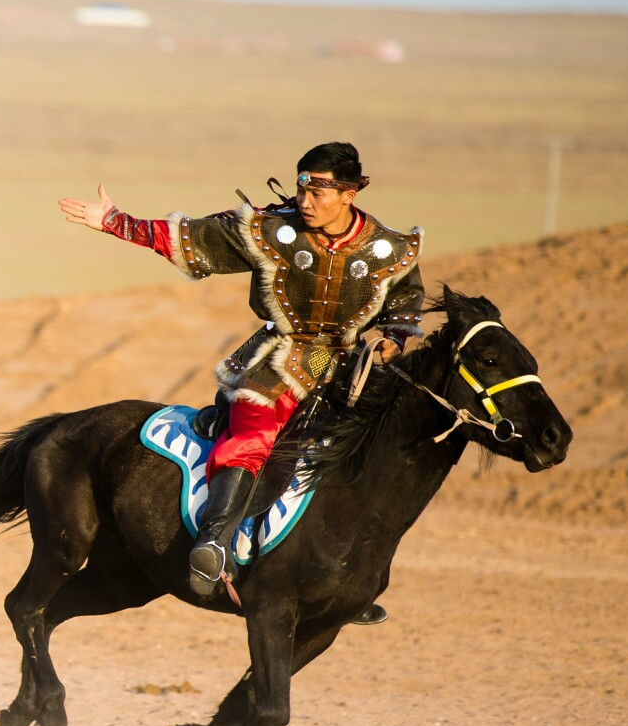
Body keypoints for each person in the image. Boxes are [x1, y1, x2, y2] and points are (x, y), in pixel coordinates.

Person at [59, 142, 425, 606]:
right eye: (302, 189)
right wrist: (116, 222)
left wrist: (393, 338)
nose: (306, 202)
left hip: (351, 368)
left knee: (379, 450)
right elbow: (195, 238)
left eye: (319, 192)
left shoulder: (388, 248)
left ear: (349, 194)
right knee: (255, 428)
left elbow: (404, 304)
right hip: (281, 358)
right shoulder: (273, 230)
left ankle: (350, 581)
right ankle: (213, 541)